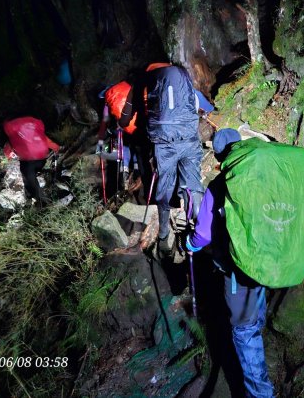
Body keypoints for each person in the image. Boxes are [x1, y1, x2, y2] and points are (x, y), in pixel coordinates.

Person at [184, 128, 275, 398]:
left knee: (244, 332)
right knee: (255, 315)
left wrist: (189, 244)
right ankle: (259, 333)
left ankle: (261, 394)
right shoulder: (260, 177)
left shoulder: (219, 186)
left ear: (220, 156)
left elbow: (202, 235)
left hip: (238, 271)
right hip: (265, 261)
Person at [120, 63, 205, 257]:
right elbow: (199, 103)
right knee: (192, 183)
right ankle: (197, 233)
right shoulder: (183, 75)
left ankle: (164, 239)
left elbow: (126, 116)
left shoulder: (144, 80)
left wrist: (122, 124)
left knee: (164, 187)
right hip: (188, 137)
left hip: (163, 140)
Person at [96, 82, 144, 188]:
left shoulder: (109, 101)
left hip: (122, 126)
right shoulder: (125, 91)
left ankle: (124, 170)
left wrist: (103, 136)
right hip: (137, 124)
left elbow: (106, 119)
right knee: (135, 145)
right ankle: (136, 168)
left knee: (124, 144)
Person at [3, 116, 60, 206]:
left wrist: (8, 157)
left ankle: (37, 200)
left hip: (28, 161)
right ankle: (39, 180)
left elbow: (8, 151)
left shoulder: (13, 133)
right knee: (33, 171)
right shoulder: (35, 130)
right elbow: (48, 142)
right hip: (42, 158)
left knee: (28, 178)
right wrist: (56, 148)